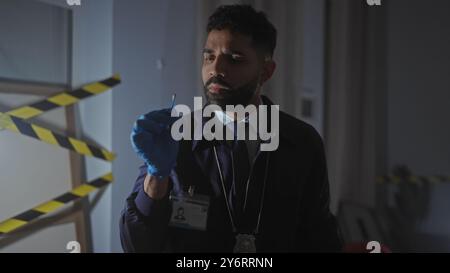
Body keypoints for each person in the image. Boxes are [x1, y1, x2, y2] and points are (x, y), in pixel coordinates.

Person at [120, 4, 342, 252]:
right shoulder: (176, 135)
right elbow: (137, 246)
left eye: (234, 59)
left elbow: (322, 239)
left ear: (266, 71)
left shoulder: (302, 142)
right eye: (209, 57)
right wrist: (156, 174)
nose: (216, 69)